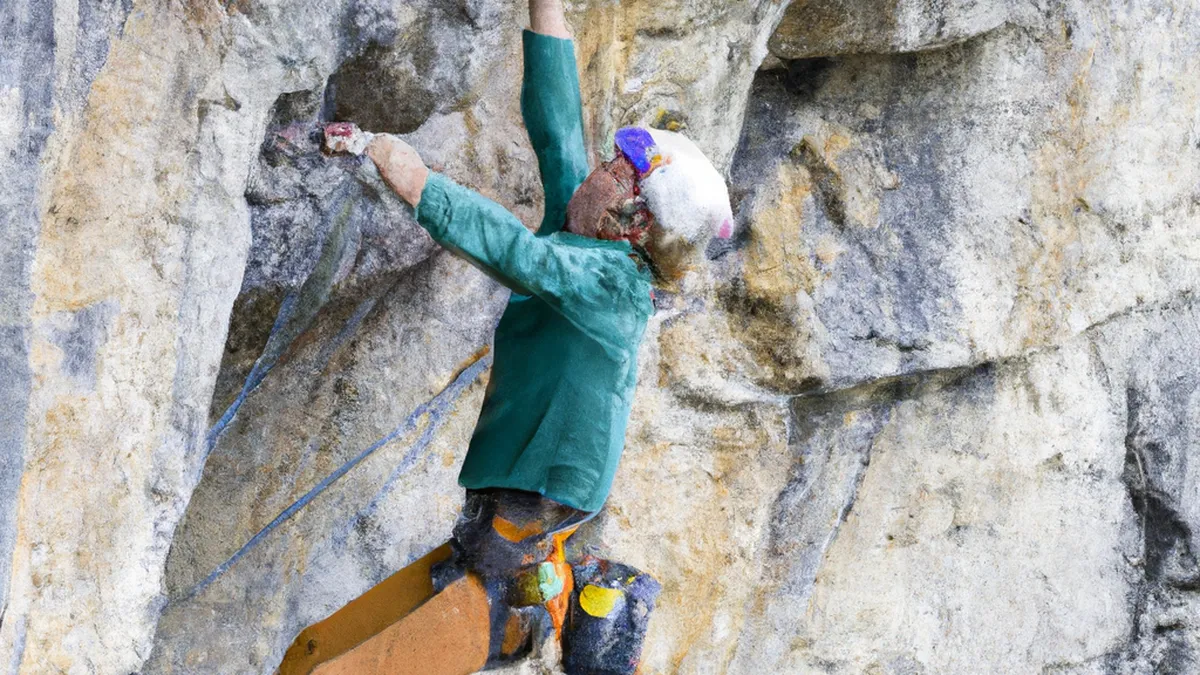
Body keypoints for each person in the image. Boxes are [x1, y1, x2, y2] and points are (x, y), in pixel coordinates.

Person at [316, 1, 734, 672]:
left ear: (631, 221)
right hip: (492, 533)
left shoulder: (613, 287)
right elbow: (558, 122)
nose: (598, 168)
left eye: (616, 171)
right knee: (310, 651)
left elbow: (518, 253)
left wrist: (403, 168)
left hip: (514, 557)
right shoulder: (589, 225)